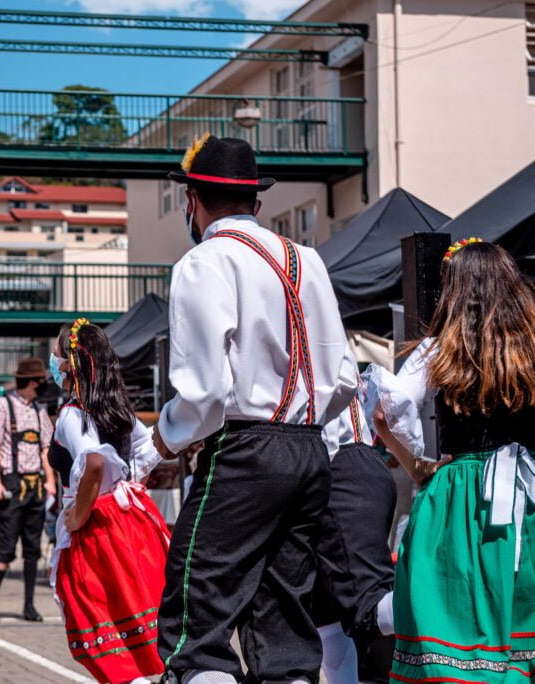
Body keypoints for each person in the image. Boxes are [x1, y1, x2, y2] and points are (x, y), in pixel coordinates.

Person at [152, 134, 357, 684]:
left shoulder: (203, 262)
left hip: (244, 451)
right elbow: (343, 378)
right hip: (309, 449)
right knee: (285, 620)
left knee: (198, 620)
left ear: (191, 201)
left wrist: (163, 441)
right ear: (257, 204)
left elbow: (204, 394)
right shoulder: (306, 260)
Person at [364, 238, 535, 683]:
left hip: (459, 499)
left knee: (455, 633)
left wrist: (417, 466)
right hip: (527, 489)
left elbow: (385, 410)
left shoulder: (440, 348)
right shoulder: (531, 343)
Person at [48, 318, 170, 684]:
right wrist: (130, 482)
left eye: (57, 354)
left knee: (99, 637)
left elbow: (94, 462)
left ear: (71, 364)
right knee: (137, 629)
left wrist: (78, 516)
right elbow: (150, 449)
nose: (53, 361)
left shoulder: (72, 414)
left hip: (97, 531)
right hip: (133, 521)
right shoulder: (116, 408)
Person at [314, 394, 397, 684]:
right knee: (322, 609)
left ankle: (439, 604)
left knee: (368, 608)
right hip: (334, 463)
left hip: (340, 462)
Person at [0, 357, 55, 624]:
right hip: (12, 483)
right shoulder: (2, 405)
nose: (45, 385)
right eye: (42, 381)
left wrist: (50, 481)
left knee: (33, 548)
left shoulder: (39, 409)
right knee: (6, 547)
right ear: (33, 382)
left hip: (35, 485)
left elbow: (45, 447)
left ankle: (29, 605)